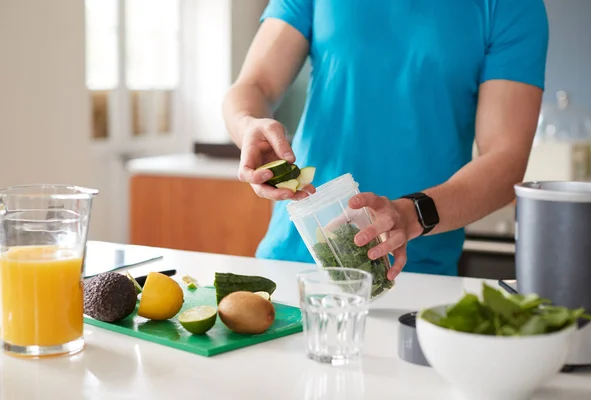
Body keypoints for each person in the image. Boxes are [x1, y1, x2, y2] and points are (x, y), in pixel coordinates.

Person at [222, 0, 549, 280]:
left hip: (415, 276)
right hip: (293, 264)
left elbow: (506, 159)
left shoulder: (511, 7)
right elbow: (254, 86)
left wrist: (410, 215)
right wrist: (247, 124)